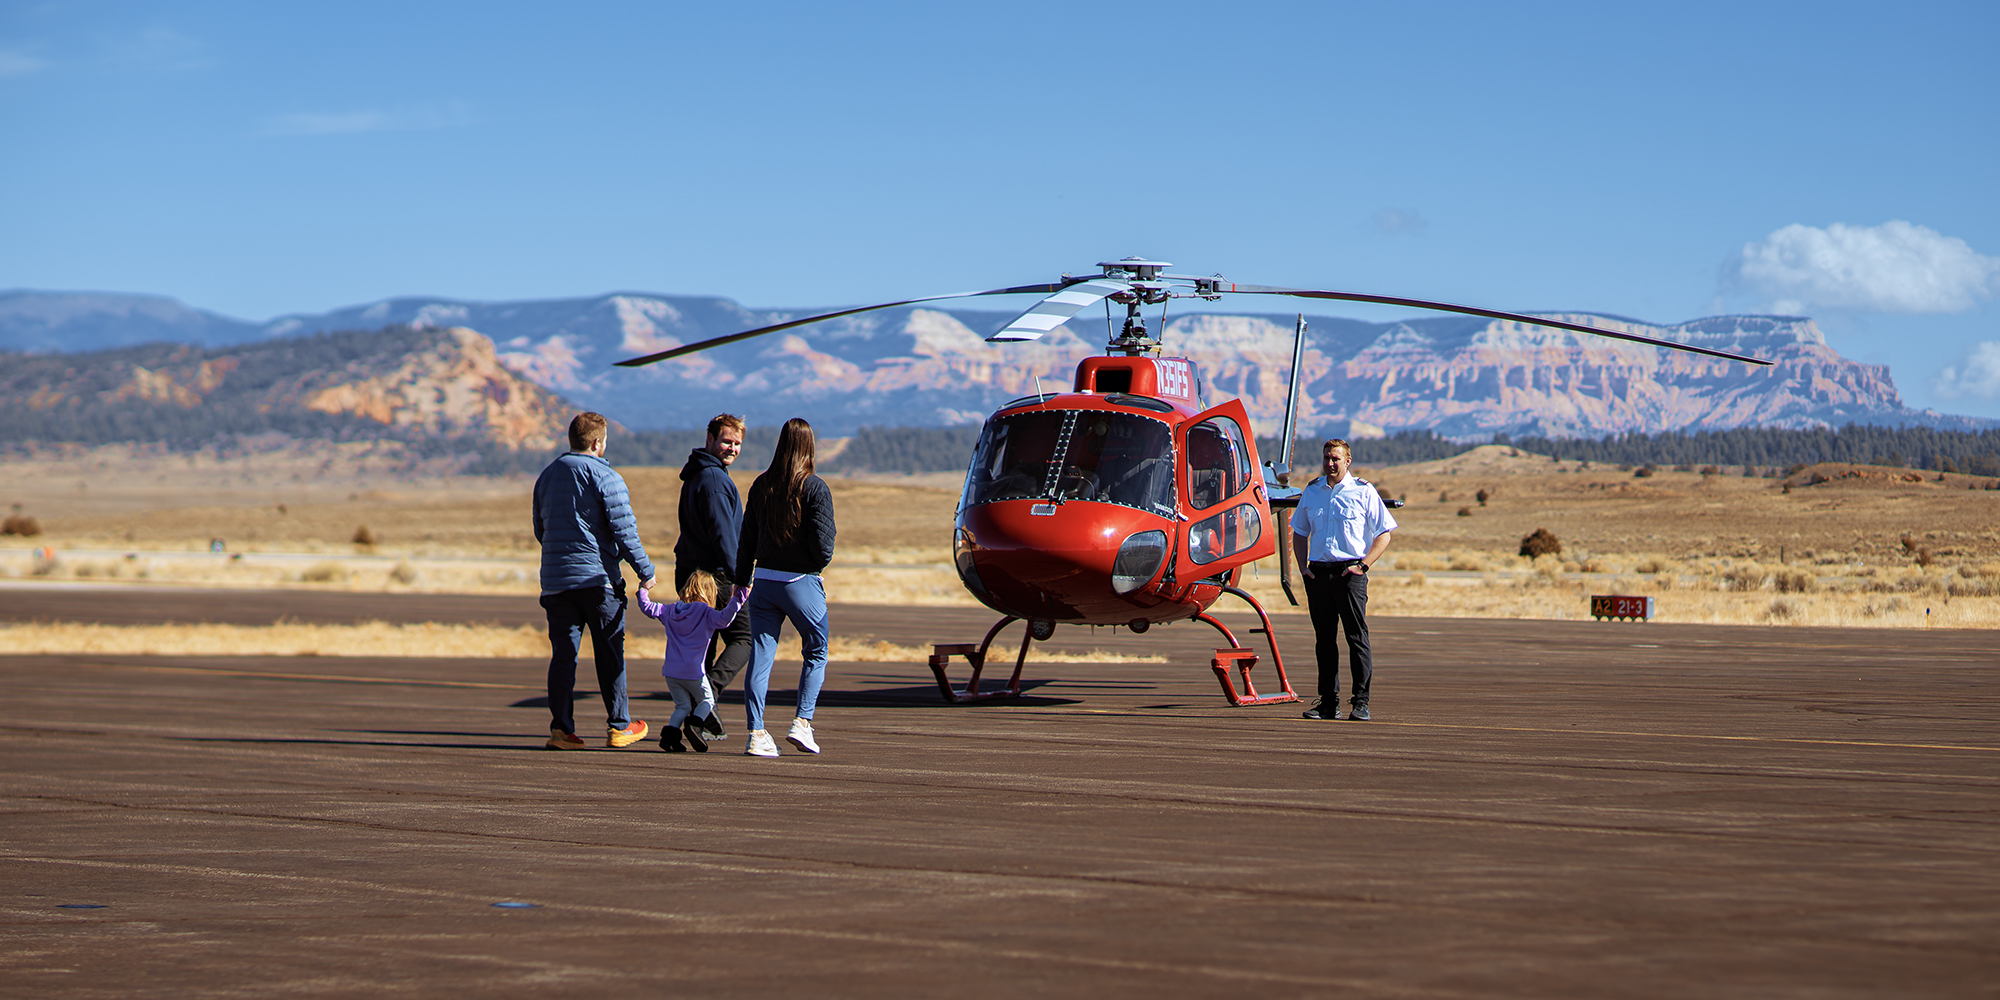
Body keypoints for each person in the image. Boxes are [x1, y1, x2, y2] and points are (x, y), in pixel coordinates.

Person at [532, 412, 655, 750]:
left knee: (563, 657)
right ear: (598, 443)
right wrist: (645, 570)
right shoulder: (606, 476)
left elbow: (540, 530)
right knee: (610, 654)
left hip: (556, 584)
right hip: (598, 581)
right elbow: (624, 530)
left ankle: (561, 729)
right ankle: (618, 726)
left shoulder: (545, 477)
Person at [732, 417, 836, 757]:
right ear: (809, 447)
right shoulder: (815, 487)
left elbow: (746, 539)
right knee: (817, 648)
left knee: (760, 657)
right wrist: (813, 568)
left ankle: (756, 733)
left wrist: (740, 581)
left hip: (762, 582)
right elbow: (824, 548)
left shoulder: (762, 485)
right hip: (800, 582)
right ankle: (802, 723)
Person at [1291, 438, 1396, 721]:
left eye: (1335, 459)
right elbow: (1299, 532)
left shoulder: (1363, 491)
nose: (1330, 463)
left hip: (1350, 574)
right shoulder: (1312, 491)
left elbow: (1384, 532)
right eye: (1326, 458)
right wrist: (1303, 568)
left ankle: (1360, 702)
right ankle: (1328, 702)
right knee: (1324, 640)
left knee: (1356, 638)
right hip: (1319, 574)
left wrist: (1364, 565)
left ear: (1347, 461)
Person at [673, 413, 750, 741]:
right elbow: (723, 535)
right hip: (715, 579)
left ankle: (689, 721)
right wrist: (739, 579)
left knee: (701, 649)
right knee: (745, 637)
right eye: (726, 441)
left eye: (737, 443)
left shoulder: (696, 476)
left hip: (690, 575)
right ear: (710, 439)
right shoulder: (716, 481)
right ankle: (707, 702)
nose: (731, 448)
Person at [635, 570, 750, 753]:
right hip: (693, 671)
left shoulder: (670, 610)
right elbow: (725, 619)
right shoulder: (705, 612)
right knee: (707, 701)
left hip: (671, 672)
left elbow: (647, 607)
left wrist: (643, 589)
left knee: (682, 706)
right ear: (710, 592)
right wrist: (739, 598)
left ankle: (669, 738)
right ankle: (694, 726)